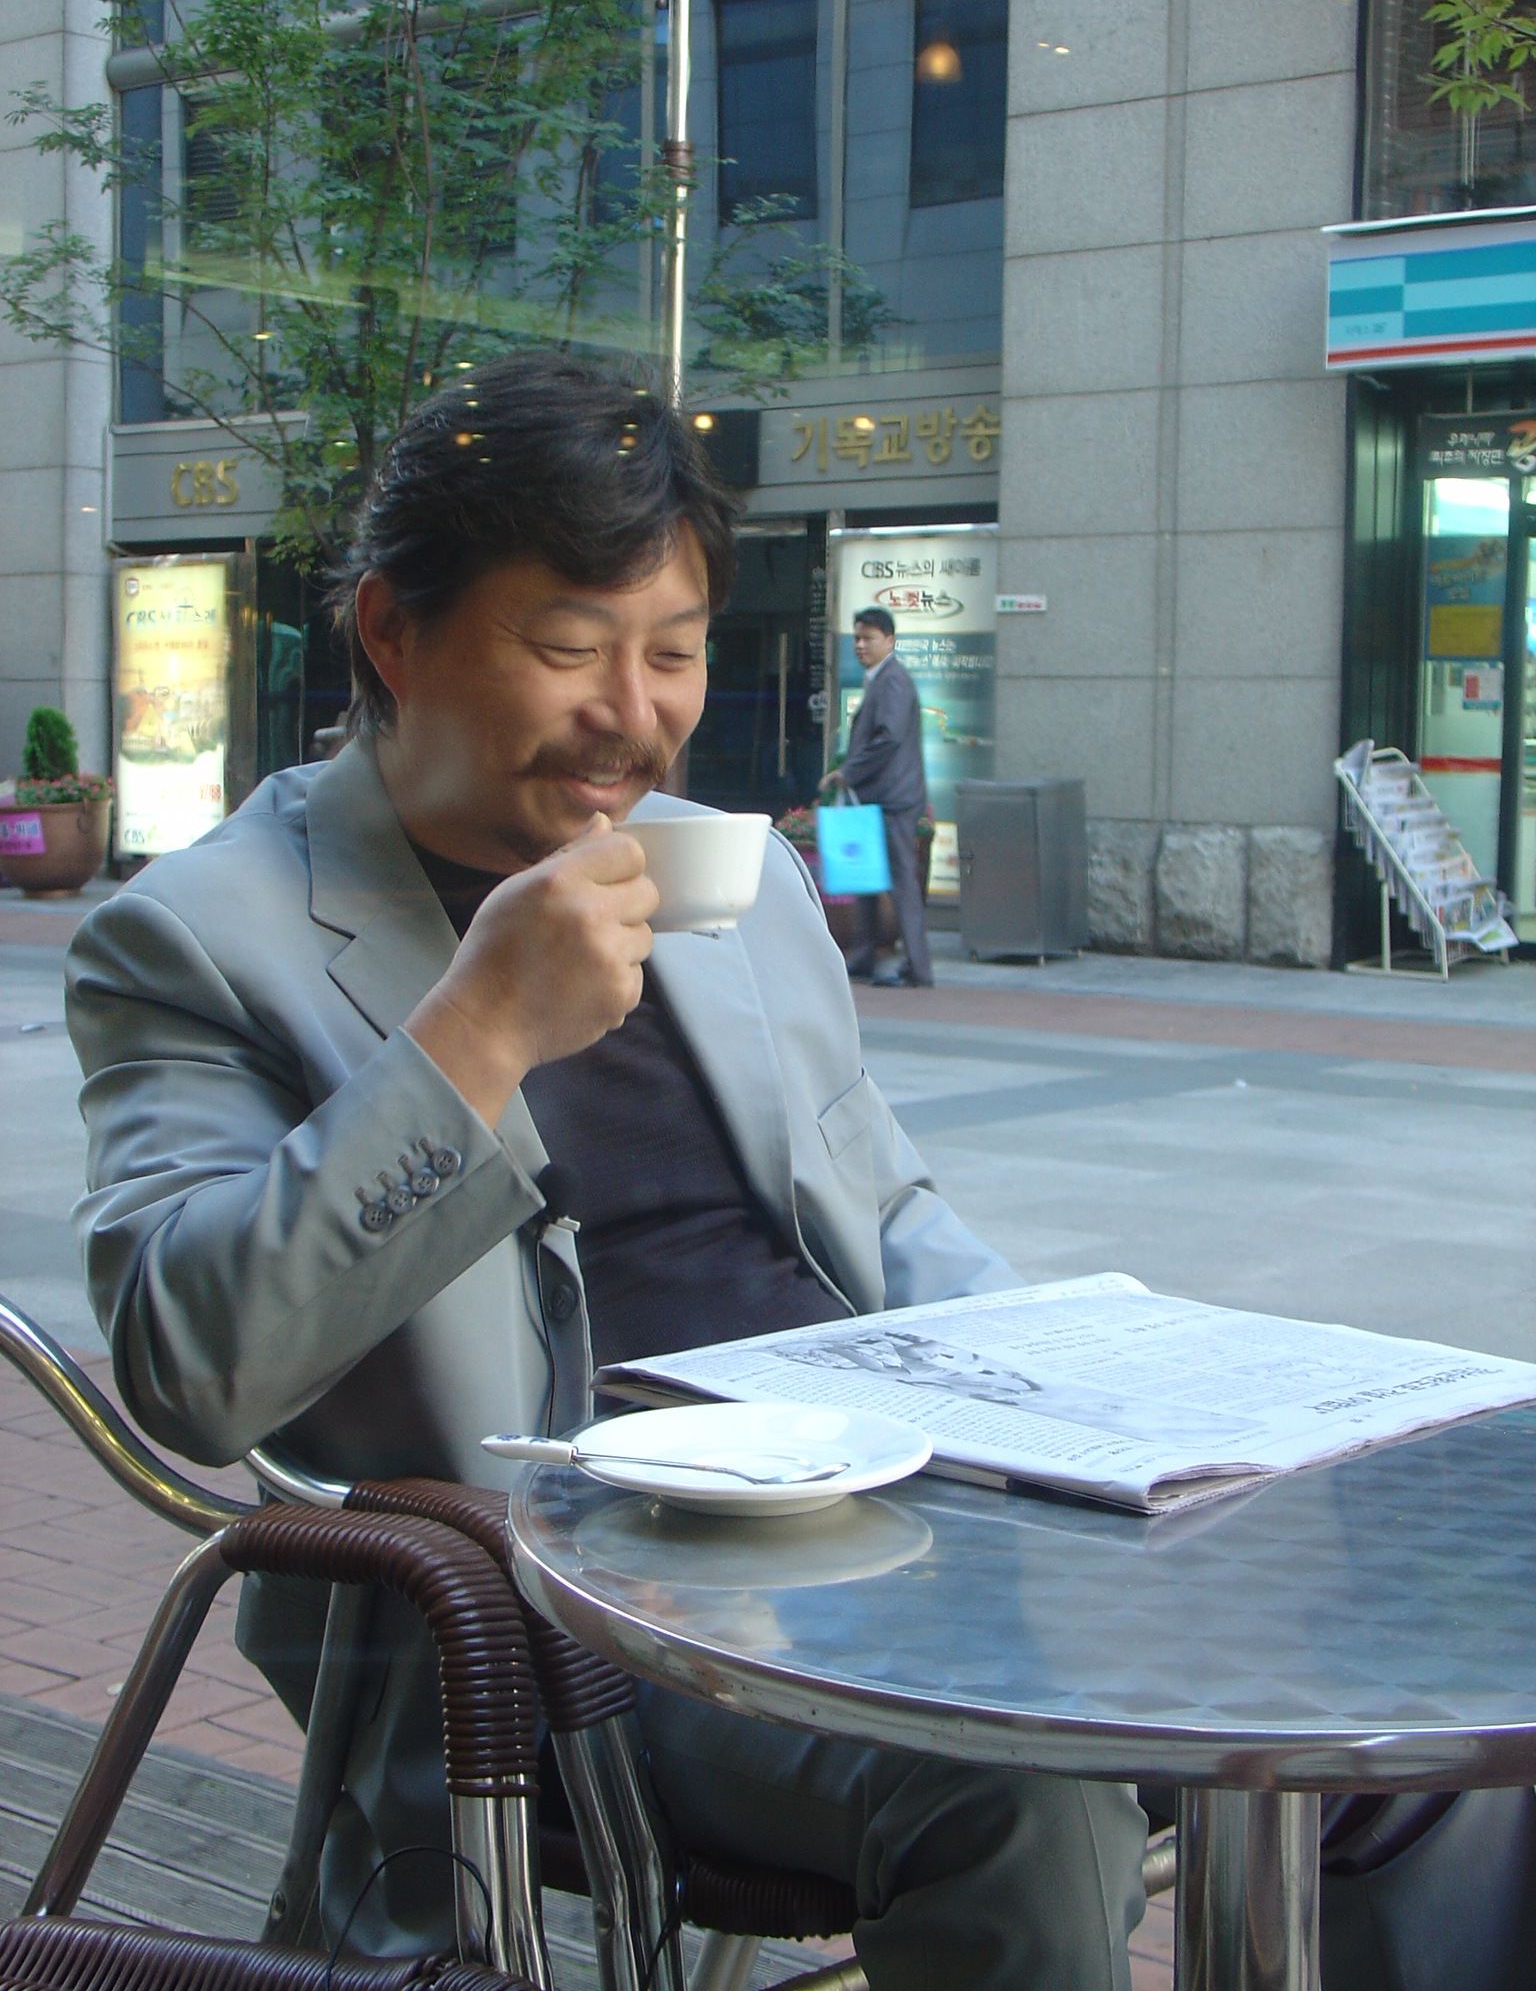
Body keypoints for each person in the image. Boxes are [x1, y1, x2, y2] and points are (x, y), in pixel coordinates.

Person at [65, 352, 1146, 1989]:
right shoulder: (204, 938)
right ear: (390, 633)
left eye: (676, 652)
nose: (634, 714)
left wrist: (1102, 1399)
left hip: (890, 1528)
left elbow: (886, 1215)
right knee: (1020, 1773)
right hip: (562, 1623)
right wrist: (477, 1032)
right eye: (569, 647)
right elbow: (188, 1358)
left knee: (1401, 1699)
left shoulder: (735, 888)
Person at [819, 607, 933, 988]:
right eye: (856, 637)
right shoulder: (880, 679)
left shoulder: (893, 680)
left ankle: (918, 967)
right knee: (867, 877)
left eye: (868, 638)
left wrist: (847, 772)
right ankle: (865, 955)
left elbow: (889, 737)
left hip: (893, 798)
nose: (860, 645)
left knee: (901, 880)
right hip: (879, 795)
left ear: (890, 640)